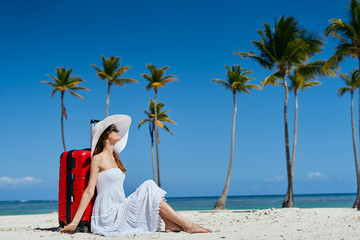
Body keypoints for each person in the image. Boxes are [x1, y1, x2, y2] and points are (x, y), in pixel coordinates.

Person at [60, 114, 212, 236]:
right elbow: (89, 191)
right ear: (105, 135)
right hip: (108, 215)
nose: (118, 131)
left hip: (120, 205)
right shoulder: (98, 159)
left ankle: (172, 224)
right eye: (114, 129)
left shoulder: (115, 158)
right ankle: (187, 225)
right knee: (149, 186)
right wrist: (74, 222)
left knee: (150, 188)